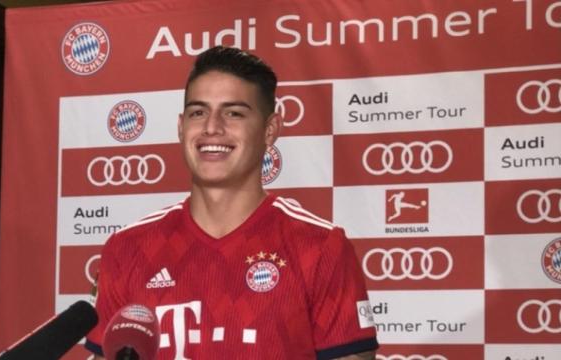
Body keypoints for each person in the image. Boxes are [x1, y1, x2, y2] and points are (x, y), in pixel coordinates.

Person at [86, 46, 378, 359]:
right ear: (181, 127)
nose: (212, 127)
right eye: (198, 112)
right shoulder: (127, 248)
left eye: (233, 113)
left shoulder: (320, 247)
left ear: (270, 131)